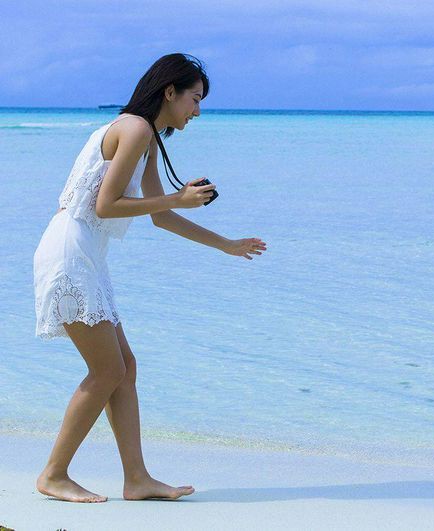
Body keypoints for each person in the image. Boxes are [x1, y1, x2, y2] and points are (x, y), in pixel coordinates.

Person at [32, 53, 267, 503]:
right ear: (169, 91)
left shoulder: (147, 138)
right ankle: (54, 474)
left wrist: (226, 244)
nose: (197, 110)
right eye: (195, 98)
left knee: (125, 367)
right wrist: (178, 198)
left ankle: (136, 479)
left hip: (86, 255)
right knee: (107, 370)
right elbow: (106, 205)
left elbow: (161, 216)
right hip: (69, 253)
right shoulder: (136, 129)